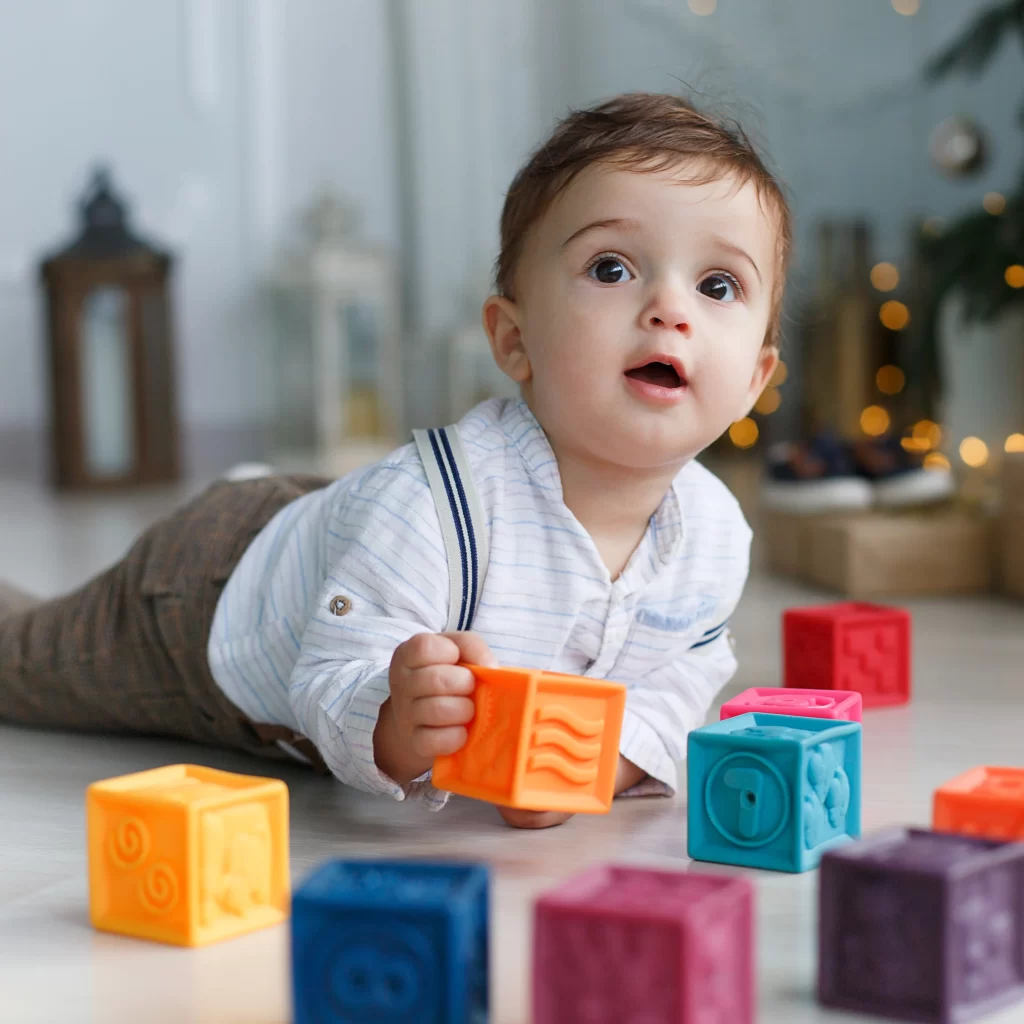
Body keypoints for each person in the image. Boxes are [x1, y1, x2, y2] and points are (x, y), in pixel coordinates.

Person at [0, 92, 788, 829]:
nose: (670, 309)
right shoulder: (441, 506)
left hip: (346, 536)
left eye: (718, 284)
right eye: (611, 268)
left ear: (755, 378)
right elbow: (330, 671)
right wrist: (393, 721)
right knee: (26, 659)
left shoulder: (714, 537)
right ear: (515, 340)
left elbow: (682, 675)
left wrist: (601, 764)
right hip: (208, 602)